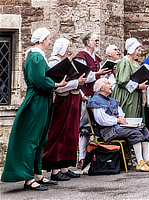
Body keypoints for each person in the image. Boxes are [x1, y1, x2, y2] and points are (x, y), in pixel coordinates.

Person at [1, 28, 68, 190]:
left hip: (42, 99)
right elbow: (39, 80)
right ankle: (29, 179)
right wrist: (57, 84)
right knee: (32, 138)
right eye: (49, 39)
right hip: (37, 100)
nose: (50, 42)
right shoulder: (35, 56)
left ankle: (37, 174)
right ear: (42, 40)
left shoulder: (38, 56)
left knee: (41, 137)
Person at [88, 78, 149, 172]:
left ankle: (147, 160)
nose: (111, 85)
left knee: (143, 129)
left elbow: (120, 113)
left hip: (116, 126)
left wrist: (121, 118)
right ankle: (140, 162)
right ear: (102, 88)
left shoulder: (111, 100)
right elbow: (102, 120)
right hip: (106, 131)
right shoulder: (96, 100)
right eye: (108, 83)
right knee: (134, 133)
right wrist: (117, 120)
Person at [42, 38, 86, 181]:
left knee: (69, 134)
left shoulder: (66, 62)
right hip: (63, 101)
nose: (69, 50)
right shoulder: (54, 62)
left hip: (72, 99)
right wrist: (76, 82)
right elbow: (59, 84)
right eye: (67, 47)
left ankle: (65, 167)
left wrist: (81, 91)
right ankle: (55, 170)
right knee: (59, 133)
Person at [73, 33, 110, 169]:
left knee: (92, 127)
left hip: (95, 95)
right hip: (85, 95)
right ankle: (81, 157)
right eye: (95, 40)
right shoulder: (81, 58)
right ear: (88, 42)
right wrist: (96, 74)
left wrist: (105, 74)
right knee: (83, 128)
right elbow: (80, 77)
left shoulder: (96, 59)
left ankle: (91, 156)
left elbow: (97, 78)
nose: (97, 42)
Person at [111, 38, 149, 119]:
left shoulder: (137, 64)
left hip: (135, 95)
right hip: (126, 95)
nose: (140, 53)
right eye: (138, 50)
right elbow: (122, 81)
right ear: (132, 50)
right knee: (128, 116)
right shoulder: (125, 62)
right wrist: (138, 86)